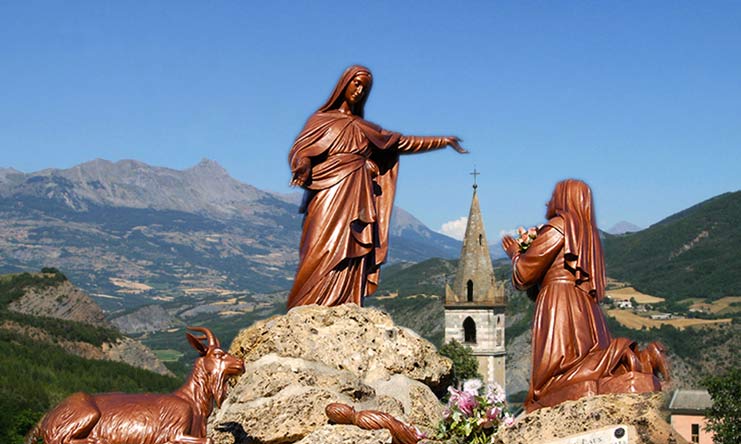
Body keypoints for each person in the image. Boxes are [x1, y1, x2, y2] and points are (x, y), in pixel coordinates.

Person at [287, 65, 467, 309]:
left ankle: (343, 301)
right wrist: (303, 164)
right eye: (356, 84)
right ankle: (306, 303)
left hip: (357, 193)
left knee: (352, 246)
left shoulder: (368, 129)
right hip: (329, 189)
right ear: (344, 84)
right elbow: (301, 150)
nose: (360, 91)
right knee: (319, 247)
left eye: (365, 87)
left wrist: (443, 141)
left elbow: (404, 142)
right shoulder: (321, 121)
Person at [501, 179, 668, 412]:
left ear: (564, 198)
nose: (548, 202)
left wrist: (516, 254)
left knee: (553, 378)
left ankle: (624, 355)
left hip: (559, 304)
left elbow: (523, 275)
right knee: (578, 361)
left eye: (553, 196)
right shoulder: (585, 234)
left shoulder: (558, 227)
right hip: (584, 306)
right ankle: (640, 360)